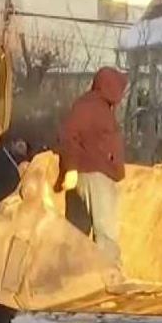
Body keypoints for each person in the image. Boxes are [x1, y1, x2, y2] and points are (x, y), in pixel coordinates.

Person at [58, 67, 128, 263]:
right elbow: (68, 136)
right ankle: (110, 277)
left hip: (96, 174)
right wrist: (71, 169)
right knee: (106, 232)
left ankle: (75, 273)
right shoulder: (88, 107)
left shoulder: (100, 108)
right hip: (94, 175)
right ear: (109, 87)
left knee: (79, 231)